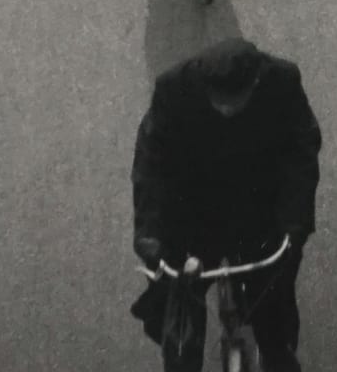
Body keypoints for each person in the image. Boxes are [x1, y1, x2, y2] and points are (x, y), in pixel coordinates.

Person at [131, 37, 322, 372]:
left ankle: (275, 348)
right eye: (219, 100)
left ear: (256, 81)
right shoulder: (173, 90)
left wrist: (295, 218)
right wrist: (151, 231)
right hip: (193, 212)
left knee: (273, 290)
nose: (227, 108)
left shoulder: (283, 80)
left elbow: (301, 150)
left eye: (236, 100)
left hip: (257, 207)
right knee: (179, 301)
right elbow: (151, 166)